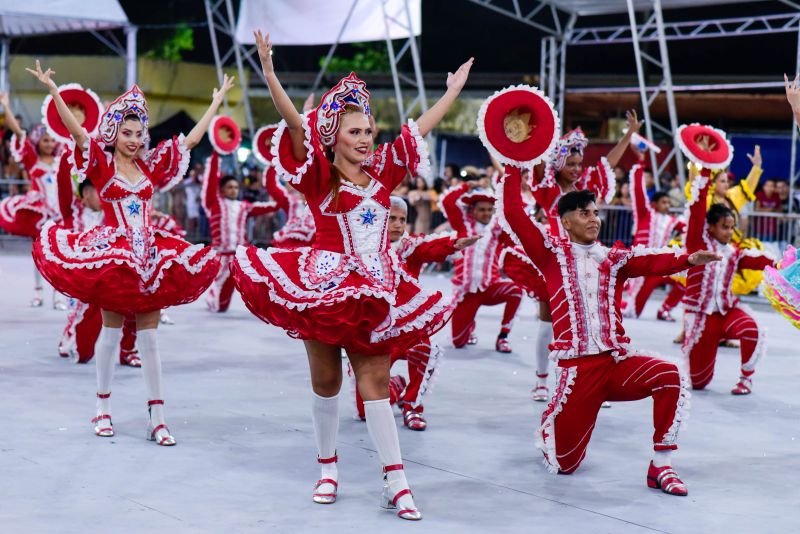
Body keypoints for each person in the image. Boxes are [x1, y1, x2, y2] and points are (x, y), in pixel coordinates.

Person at [230, 30, 472, 520]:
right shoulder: (318, 175)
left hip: (377, 287)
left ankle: (397, 481)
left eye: (369, 132)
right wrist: (270, 72)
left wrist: (449, 93)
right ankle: (327, 467)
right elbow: (294, 121)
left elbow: (417, 130)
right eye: (355, 132)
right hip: (323, 285)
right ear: (334, 135)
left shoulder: (383, 173)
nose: (365, 140)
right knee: (325, 381)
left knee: (376, 378)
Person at [28, 60, 230, 445]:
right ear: (115, 133)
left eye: (140, 133)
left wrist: (216, 103)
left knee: (150, 339)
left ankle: (157, 416)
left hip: (150, 256)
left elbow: (187, 142)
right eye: (128, 133)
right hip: (115, 256)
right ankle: (102, 409)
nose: (136, 139)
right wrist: (54, 92)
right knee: (111, 331)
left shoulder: (151, 167)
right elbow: (80, 136)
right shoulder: (102, 165)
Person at [501, 165, 720, 495]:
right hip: (577, 371)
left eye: (595, 212)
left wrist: (687, 260)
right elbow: (513, 213)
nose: (593, 218)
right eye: (583, 213)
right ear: (565, 221)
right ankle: (555, 420)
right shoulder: (550, 255)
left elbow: (649, 261)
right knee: (565, 464)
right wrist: (511, 165)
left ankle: (661, 466)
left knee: (671, 375)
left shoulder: (612, 258)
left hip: (616, 363)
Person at [527, 110, 642, 402]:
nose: (578, 169)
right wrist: (536, 133)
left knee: (594, 320)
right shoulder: (548, 190)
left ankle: (596, 380)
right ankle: (541, 380)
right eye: (571, 164)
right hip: (555, 260)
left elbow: (608, 163)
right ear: (558, 165)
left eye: (580, 163)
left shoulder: (588, 189)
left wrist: (629, 134)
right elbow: (538, 164)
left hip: (588, 260)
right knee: (548, 319)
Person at [349, 196, 479, 430]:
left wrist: (454, 244)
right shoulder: (362, 249)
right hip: (374, 335)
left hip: (406, 330)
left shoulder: (410, 247)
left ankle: (412, 405)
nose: (399, 224)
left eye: (403, 220)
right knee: (364, 412)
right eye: (392, 219)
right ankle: (396, 386)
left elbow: (431, 247)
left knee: (425, 348)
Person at [682, 168, 775, 394]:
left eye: (732, 227)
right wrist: (704, 168)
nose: (729, 232)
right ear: (710, 227)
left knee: (752, 330)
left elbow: (758, 261)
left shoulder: (733, 252)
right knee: (699, 382)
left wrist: (783, 264)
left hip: (726, 313)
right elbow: (697, 207)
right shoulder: (696, 242)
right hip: (701, 317)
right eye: (725, 227)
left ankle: (746, 379)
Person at [57, 180, 140, 366]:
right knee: (83, 354)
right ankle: (70, 334)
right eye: (100, 192)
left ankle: (128, 351)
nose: (106, 197)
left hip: (110, 281)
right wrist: (68, 152)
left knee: (136, 296)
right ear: (86, 193)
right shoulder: (72, 215)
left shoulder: (112, 215)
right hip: (84, 289)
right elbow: (62, 185)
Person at [0, 91, 67, 308]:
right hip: (38, 213)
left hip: (59, 212)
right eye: (44, 140)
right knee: (39, 254)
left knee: (58, 254)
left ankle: (58, 295)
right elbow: (18, 132)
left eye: (51, 140)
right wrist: (5, 106)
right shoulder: (31, 158)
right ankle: (38, 293)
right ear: (38, 141)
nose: (48, 144)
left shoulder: (61, 159)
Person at [440, 180, 522, 352]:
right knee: (458, 343)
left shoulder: (498, 230)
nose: (486, 214)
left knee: (516, 290)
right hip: (466, 292)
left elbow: (516, 239)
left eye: (489, 210)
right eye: (482, 210)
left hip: (490, 287)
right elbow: (447, 202)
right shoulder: (461, 225)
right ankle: (469, 325)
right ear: (472, 210)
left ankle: (503, 337)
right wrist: (465, 187)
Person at [202, 129, 278, 313]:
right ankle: (213, 295)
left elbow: (269, 206)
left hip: (239, 255)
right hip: (221, 256)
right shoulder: (214, 204)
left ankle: (266, 307)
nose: (234, 190)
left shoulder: (244, 206)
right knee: (221, 306)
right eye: (229, 187)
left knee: (257, 283)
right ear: (222, 190)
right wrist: (217, 152)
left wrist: (281, 198)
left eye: (236, 187)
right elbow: (211, 180)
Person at [623, 152, 687, 321]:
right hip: (642, 268)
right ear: (654, 204)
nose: (667, 205)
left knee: (687, 280)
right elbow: (638, 191)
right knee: (632, 312)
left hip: (660, 267)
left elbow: (690, 230)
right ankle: (614, 305)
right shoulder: (645, 213)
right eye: (664, 202)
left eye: (668, 202)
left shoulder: (672, 221)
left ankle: (665, 310)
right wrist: (640, 163)